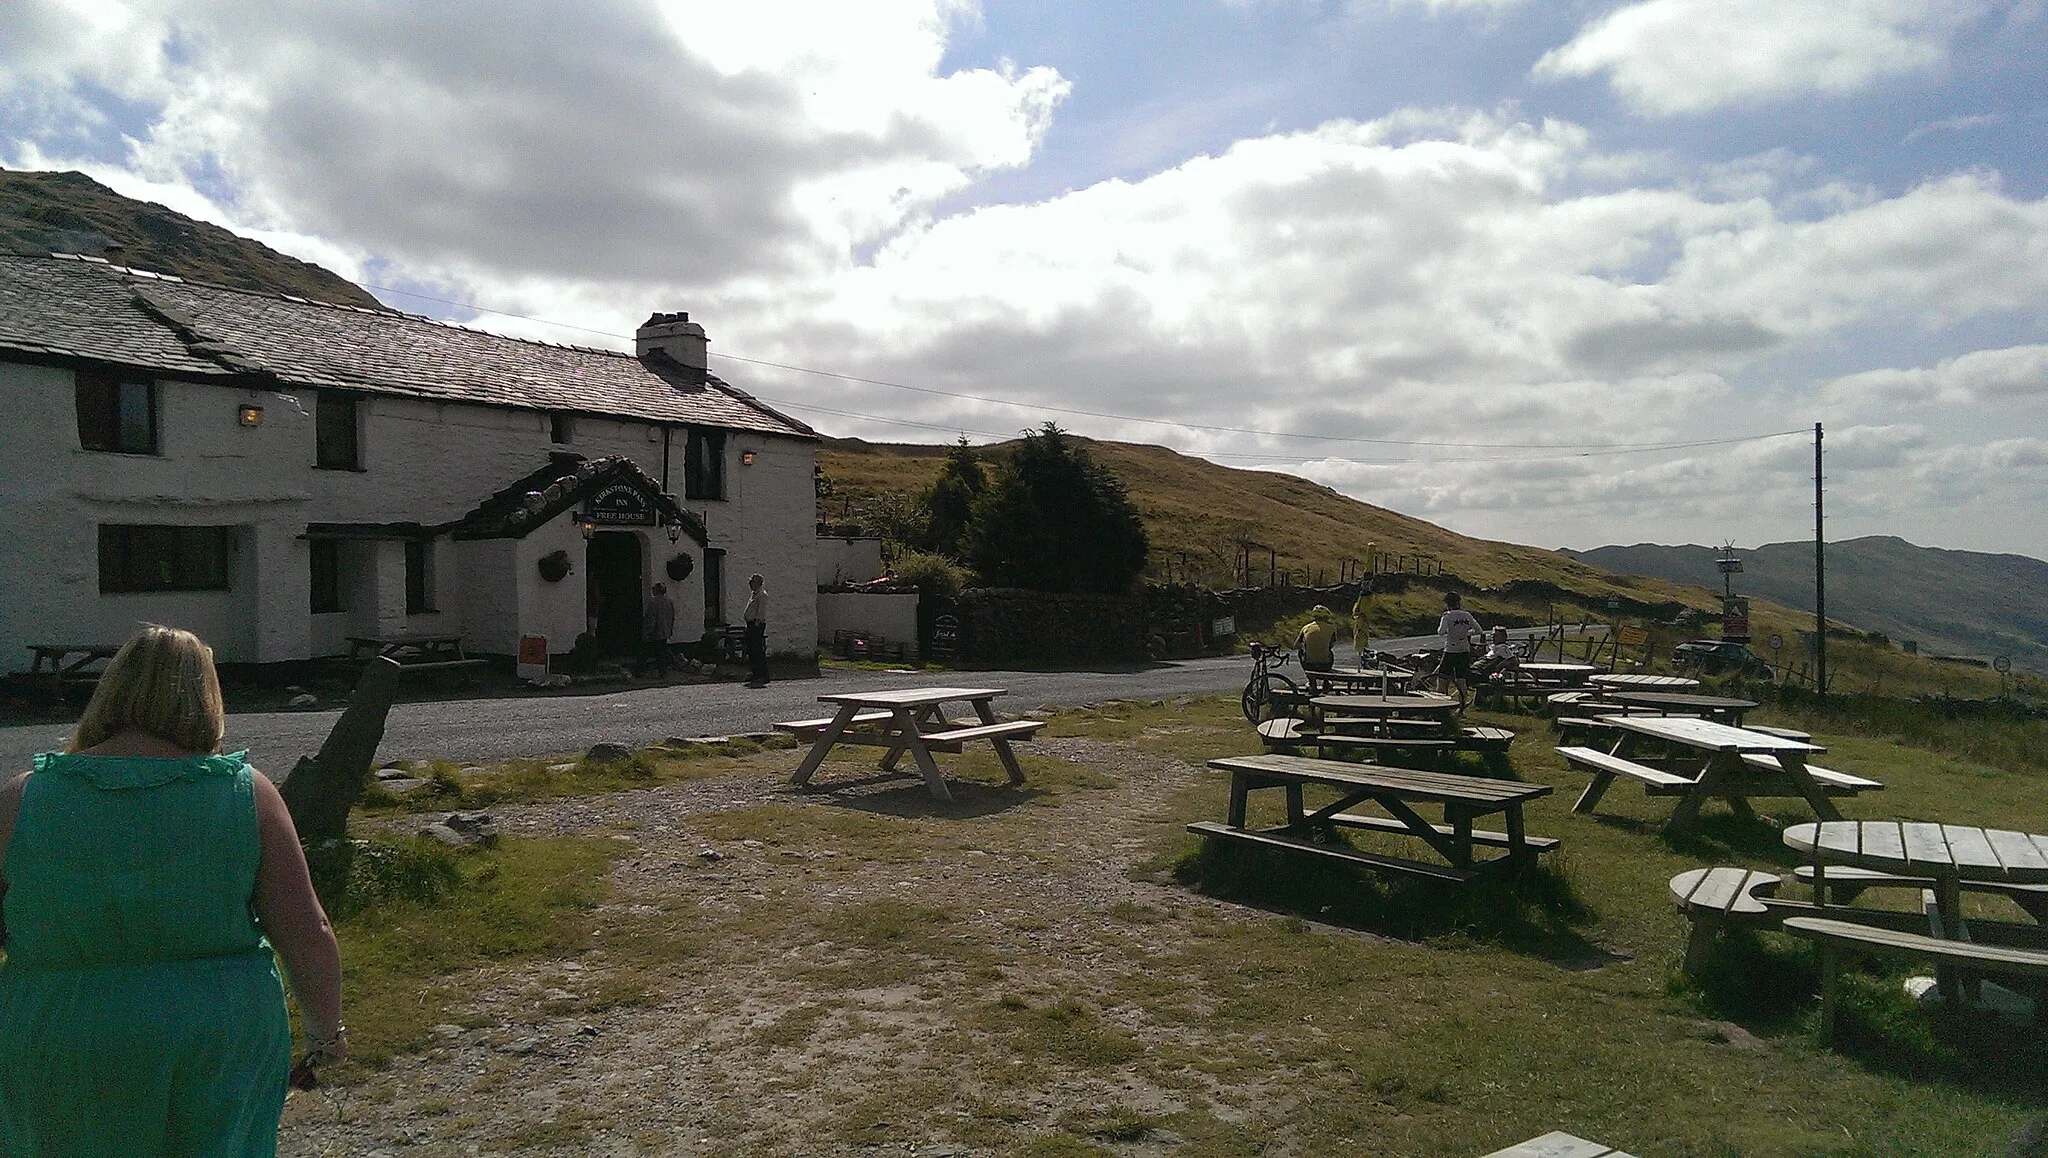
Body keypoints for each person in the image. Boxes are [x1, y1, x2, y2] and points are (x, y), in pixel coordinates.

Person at [0, 624, 345, 1155]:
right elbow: (307, 929)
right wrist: (325, 1033)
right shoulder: (246, 793)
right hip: (218, 1025)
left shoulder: (26, 797)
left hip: (65, 1023)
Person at [1435, 592, 1484, 709]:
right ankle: (1462, 702)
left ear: (1447, 604)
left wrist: (1450, 632)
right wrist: (1467, 632)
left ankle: (1440, 701)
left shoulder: (1447, 616)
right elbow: (1479, 630)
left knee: (1442, 675)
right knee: (1461, 677)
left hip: (1451, 649)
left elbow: (1440, 632)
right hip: (1464, 649)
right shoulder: (1466, 615)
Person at [641, 582, 677, 677]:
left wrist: (647, 632)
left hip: (655, 632)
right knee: (661, 652)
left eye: (654, 589)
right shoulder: (669, 601)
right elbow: (672, 617)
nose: (652, 591)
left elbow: (651, 618)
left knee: (647, 652)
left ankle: (640, 670)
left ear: (657, 590)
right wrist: (670, 630)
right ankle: (663, 671)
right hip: (665, 632)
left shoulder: (653, 602)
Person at [742, 573, 770, 687]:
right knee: (752, 650)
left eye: (752, 582)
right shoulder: (754, 594)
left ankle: (762, 675)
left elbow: (761, 611)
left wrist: (757, 622)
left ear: (758, 583)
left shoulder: (762, 595)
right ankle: (755, 673)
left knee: (757, 650)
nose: (750, 584)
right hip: (751, 624)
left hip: (756, 624)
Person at [1295, 605, 1337, 673]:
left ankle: (1310, 678)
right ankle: (1326, 681)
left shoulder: (1305, 628)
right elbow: (1331, 645)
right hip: (1325, 666)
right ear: (1325, 617)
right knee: (1330, 653)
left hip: (1309, 665)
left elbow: (1296, 645)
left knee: (1300, 652)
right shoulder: (1332, 628)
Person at [1349, 580, 1375, 663]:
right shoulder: (1364, 598)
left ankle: (1364, 654)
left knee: (1361, 636)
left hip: (1362, 619)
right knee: (1360, 636)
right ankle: (1363, 655)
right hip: (1361, 620)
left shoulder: (1367, 598)